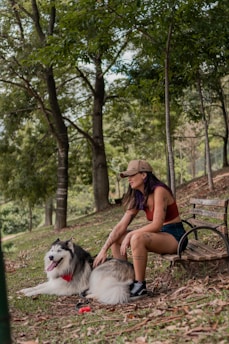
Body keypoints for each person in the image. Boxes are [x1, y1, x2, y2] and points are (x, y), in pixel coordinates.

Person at [93, 159, 188, 300]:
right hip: (160, 234)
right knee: (116, 239)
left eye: (132, 175)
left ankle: (140, 286)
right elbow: (120, 226)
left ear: (143, 175)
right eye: (127, 176)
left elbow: (156, 224)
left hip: (175, 236)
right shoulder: (138, 196)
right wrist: (104, 248)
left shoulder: (159, 191)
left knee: (137, 237)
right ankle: (126, 281)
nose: (129, 179)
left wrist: (131, 234)